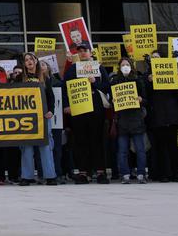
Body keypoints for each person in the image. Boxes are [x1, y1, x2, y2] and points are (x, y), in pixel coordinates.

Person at [62, 43, 110, 184]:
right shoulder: (73, 69)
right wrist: (66, 105)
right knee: (81, 141)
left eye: (85, 51)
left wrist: (95, 82)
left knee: (97, 140)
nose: (82, 53)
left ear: (91, 52)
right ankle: (84, 172)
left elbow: (107, 86)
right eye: (80, 51)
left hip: (96, 109)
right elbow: (65, 87)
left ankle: (100, 172)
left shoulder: (99, 68)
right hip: (79, 109)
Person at [18, 52, 57, 186]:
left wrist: (51, 111)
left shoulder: (44, 77)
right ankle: (27, 177)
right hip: (25, 118)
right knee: (26, 146)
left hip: (42, 117)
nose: (29, 61)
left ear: (36, 61)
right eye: (26, 60)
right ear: (23, 64)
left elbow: (50, 96)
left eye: (31, 59)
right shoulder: (19, 78)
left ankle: (50, 176)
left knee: (45, 146)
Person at [110, 57, 148, 184]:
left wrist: (141, 99)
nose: (125, 67)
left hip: (136, 118)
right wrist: (114, 101)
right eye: (123, 65)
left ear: (131, 66)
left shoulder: (138, 80)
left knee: (140, 149)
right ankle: (125, 174)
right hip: (122, 120)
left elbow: (146, 99)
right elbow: (111, 101)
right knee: (122, 150)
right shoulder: (115, 81)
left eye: (127, 64)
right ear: (119, 67)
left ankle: (141, 174)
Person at [148, 51, 178, 182]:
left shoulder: (172, 73)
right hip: (158, 117)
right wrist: (149, 82)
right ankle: (163, 174)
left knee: (173, 146)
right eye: (153, 58)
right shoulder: (148, 76)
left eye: (157, 58)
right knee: (161, 147)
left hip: (172, 116)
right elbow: (146, 96)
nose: (155, 60)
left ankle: (176, 173)